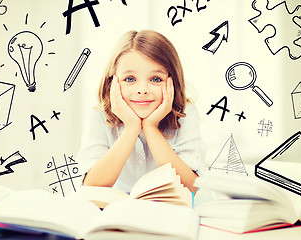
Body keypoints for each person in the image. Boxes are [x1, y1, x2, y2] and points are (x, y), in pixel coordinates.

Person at [77, 30, 205, 193]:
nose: (142, 90)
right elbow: (91, 185)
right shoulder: (99, 114)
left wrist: (151, 128)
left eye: (156, 79)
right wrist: (132, 128)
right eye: (130, 79)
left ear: (172, 81)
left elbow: (191, 186)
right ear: (113, 82)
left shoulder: (186, 113)